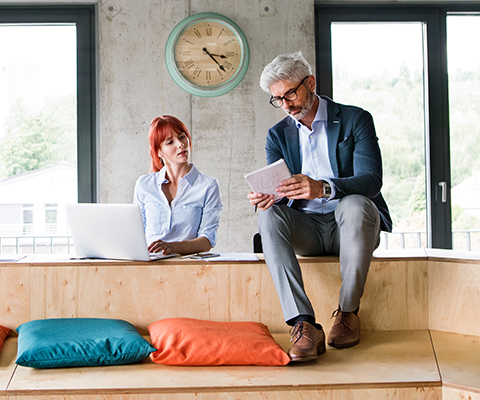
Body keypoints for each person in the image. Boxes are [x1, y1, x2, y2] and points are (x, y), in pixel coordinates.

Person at [248, 52, 392, 362]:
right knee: (268, 213)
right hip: (308, 230)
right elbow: (281, 188)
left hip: (351, 226)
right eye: (278, 99)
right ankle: (303, 323)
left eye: (291, 93)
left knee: (355, 204)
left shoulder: (355, 119)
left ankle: (348, 313)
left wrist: (323, 187)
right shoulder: (278, 135)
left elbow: (371, 181)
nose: (286, 104)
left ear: (310, 82)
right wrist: (270, 196)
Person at [134, 115, 223, 255]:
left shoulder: (208, 186)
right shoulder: (144, 185)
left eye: (182, 137)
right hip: (149, 265)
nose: (180, 144)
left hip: (187, 266)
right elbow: (136, 234)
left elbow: (207, 240)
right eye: (170, 142)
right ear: (159, 152)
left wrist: (173, 247)